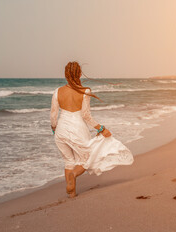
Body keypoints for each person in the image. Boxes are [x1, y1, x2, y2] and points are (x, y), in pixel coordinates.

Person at [50, 61, 134, 198]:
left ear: (65, 75)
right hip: (77, 128)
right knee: (87, 158)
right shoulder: (85, 91)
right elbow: (86, 116)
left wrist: (54, 129)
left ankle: (72, 194)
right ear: (79, 74)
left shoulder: (57, 92)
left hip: (61, 130)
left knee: (68, 161)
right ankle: (74, 174)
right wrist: (101, 128)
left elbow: (53, 115)